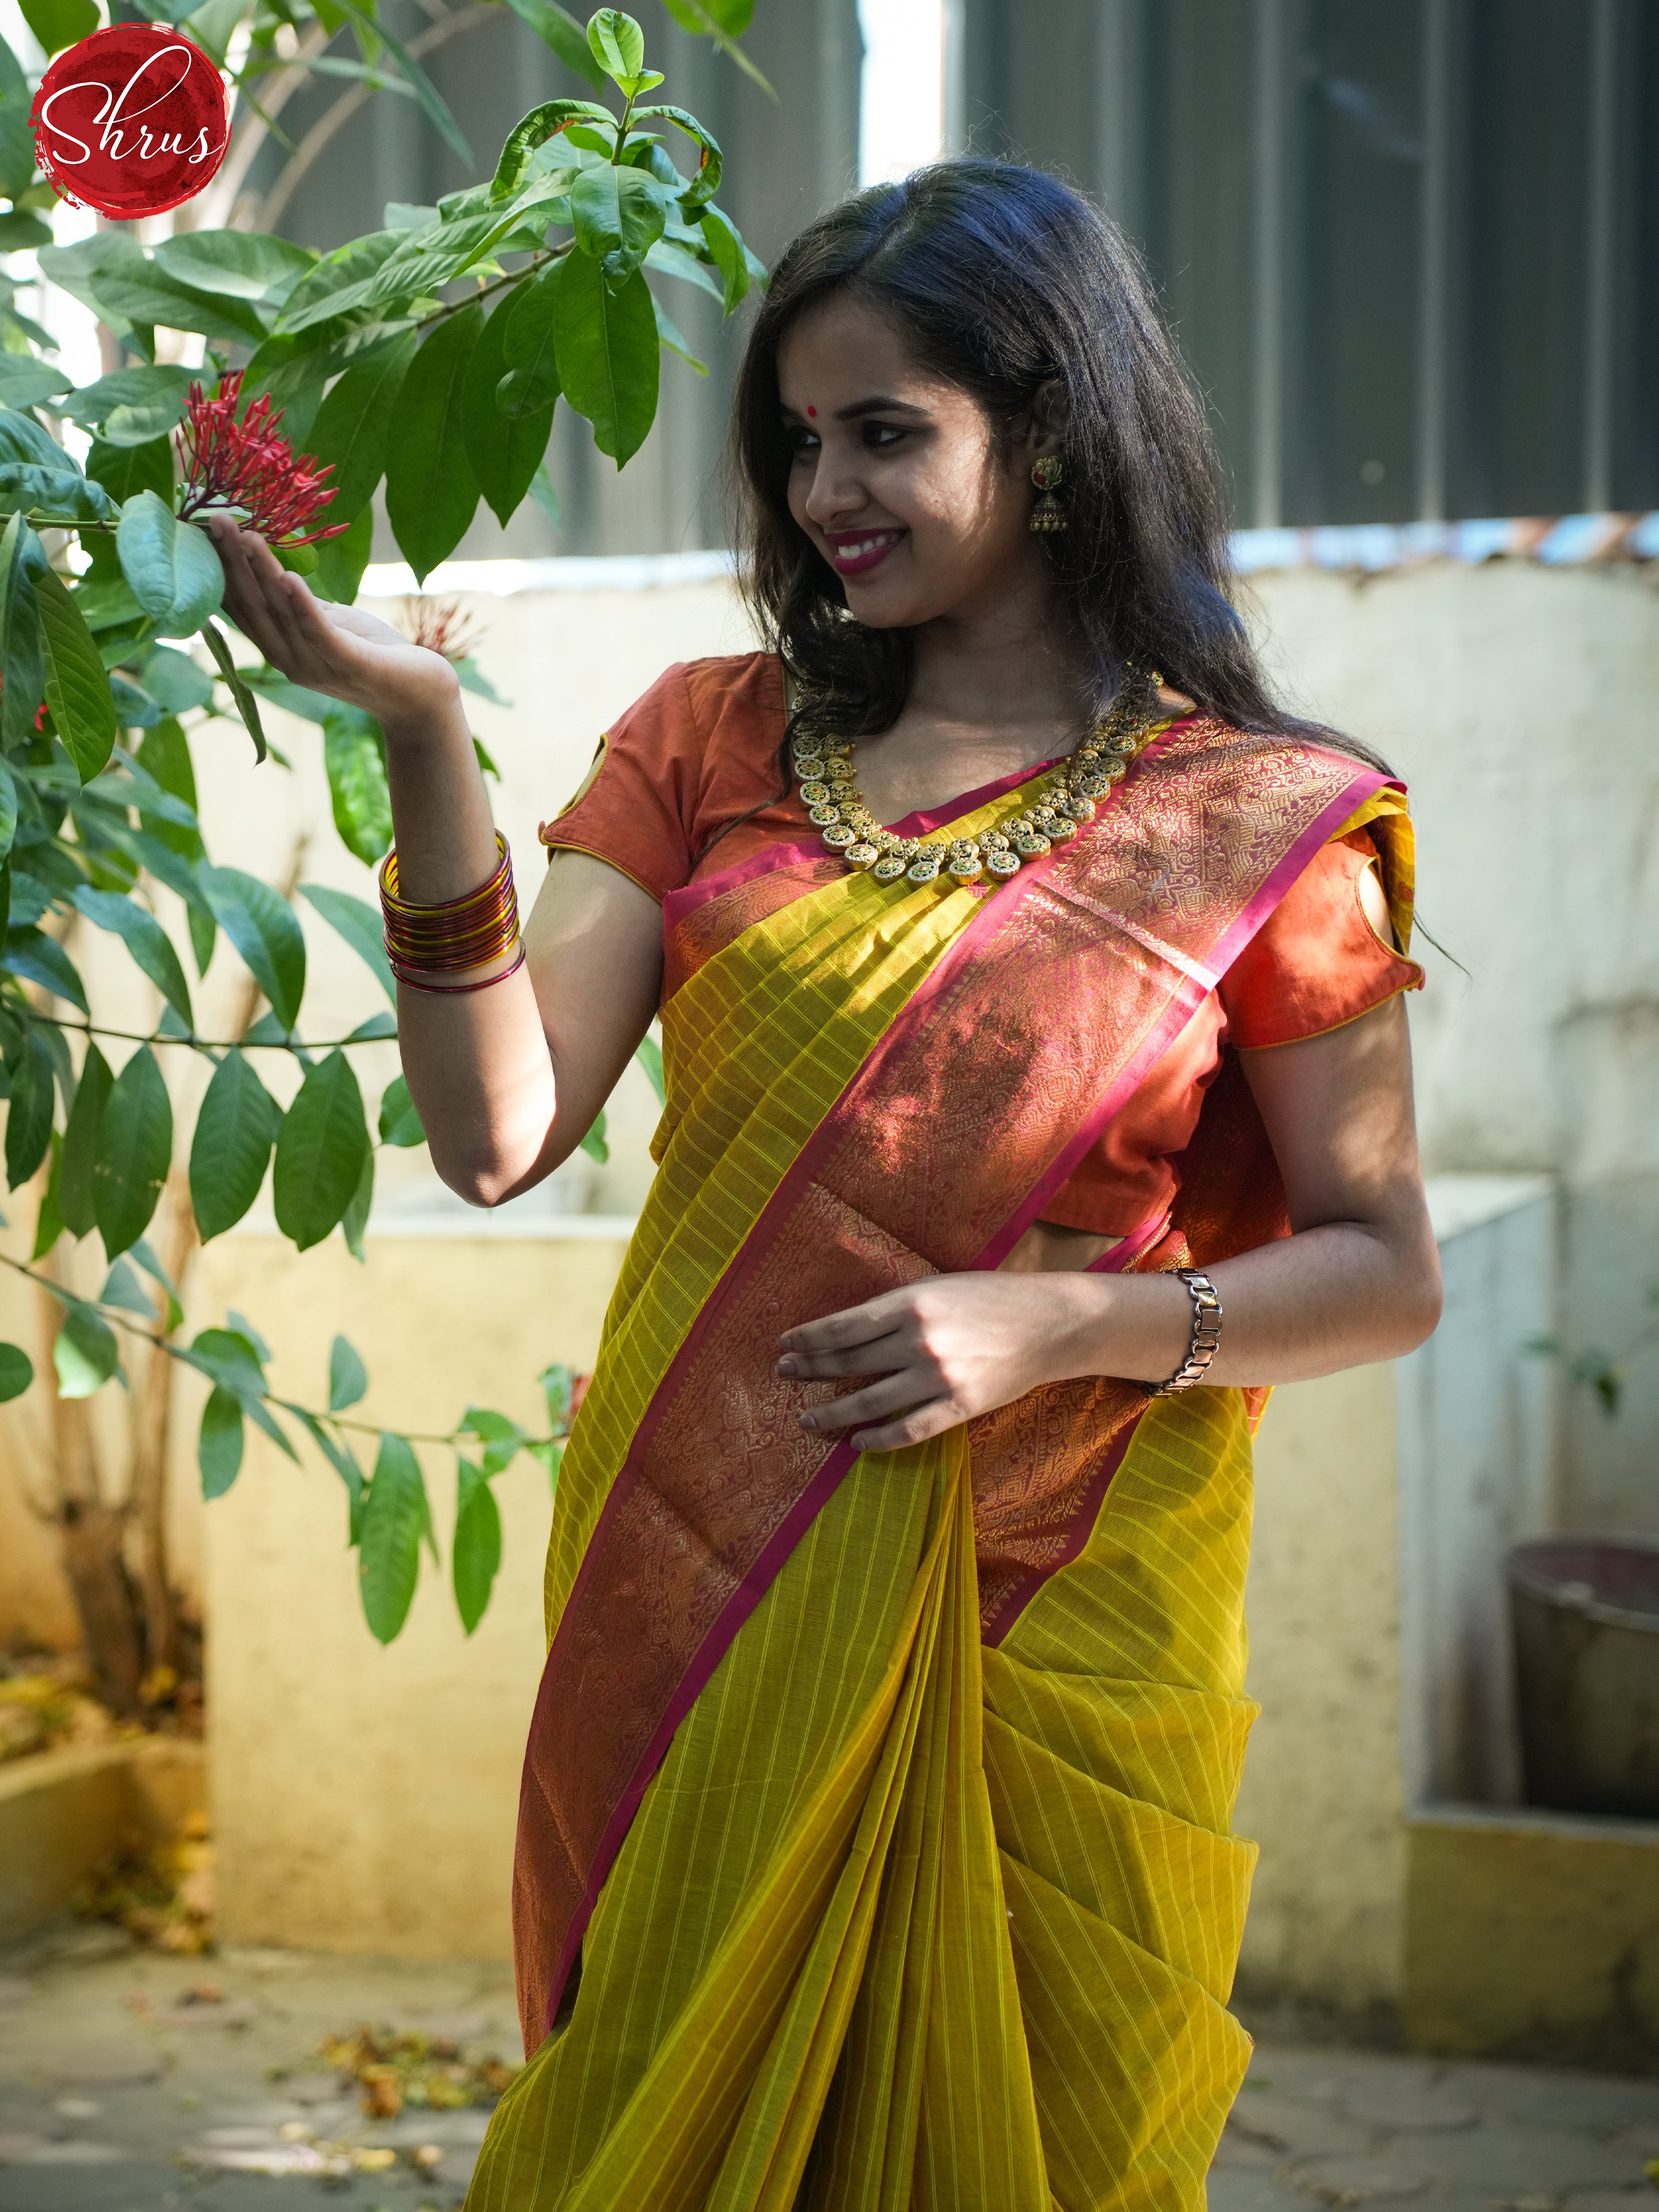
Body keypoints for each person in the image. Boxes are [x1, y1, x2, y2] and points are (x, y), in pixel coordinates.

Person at [208, 160, 1442, 2212]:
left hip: (1052, 1617)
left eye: (887, 433)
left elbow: (1386, 1270)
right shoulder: (712, 742)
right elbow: (497, 1134)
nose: (820, 496)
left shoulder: (1257, 827)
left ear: (1049, 438)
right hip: (700, 1578)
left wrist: (1068, 1324)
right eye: (795, 441)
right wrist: (420, 739)